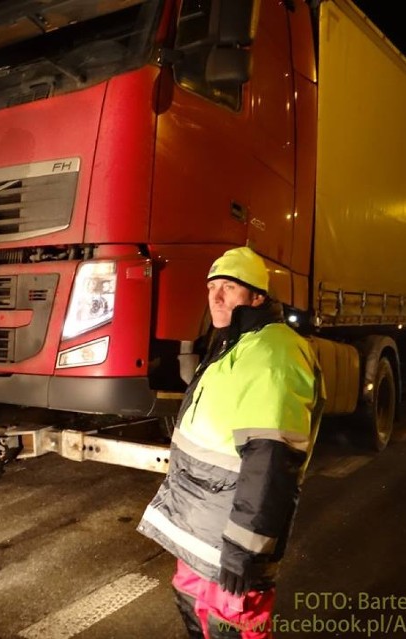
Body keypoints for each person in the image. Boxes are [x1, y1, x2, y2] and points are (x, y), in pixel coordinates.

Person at [137, 246, 325, 639]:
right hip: (200, 533)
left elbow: (271, 460)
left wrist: (245, 549)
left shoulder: (274, 352)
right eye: (211, 288)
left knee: (234, 627)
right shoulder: (233, 345)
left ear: (257, 297)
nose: (216, 297)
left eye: (229, 287)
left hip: (229, 540)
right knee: (198, 617)